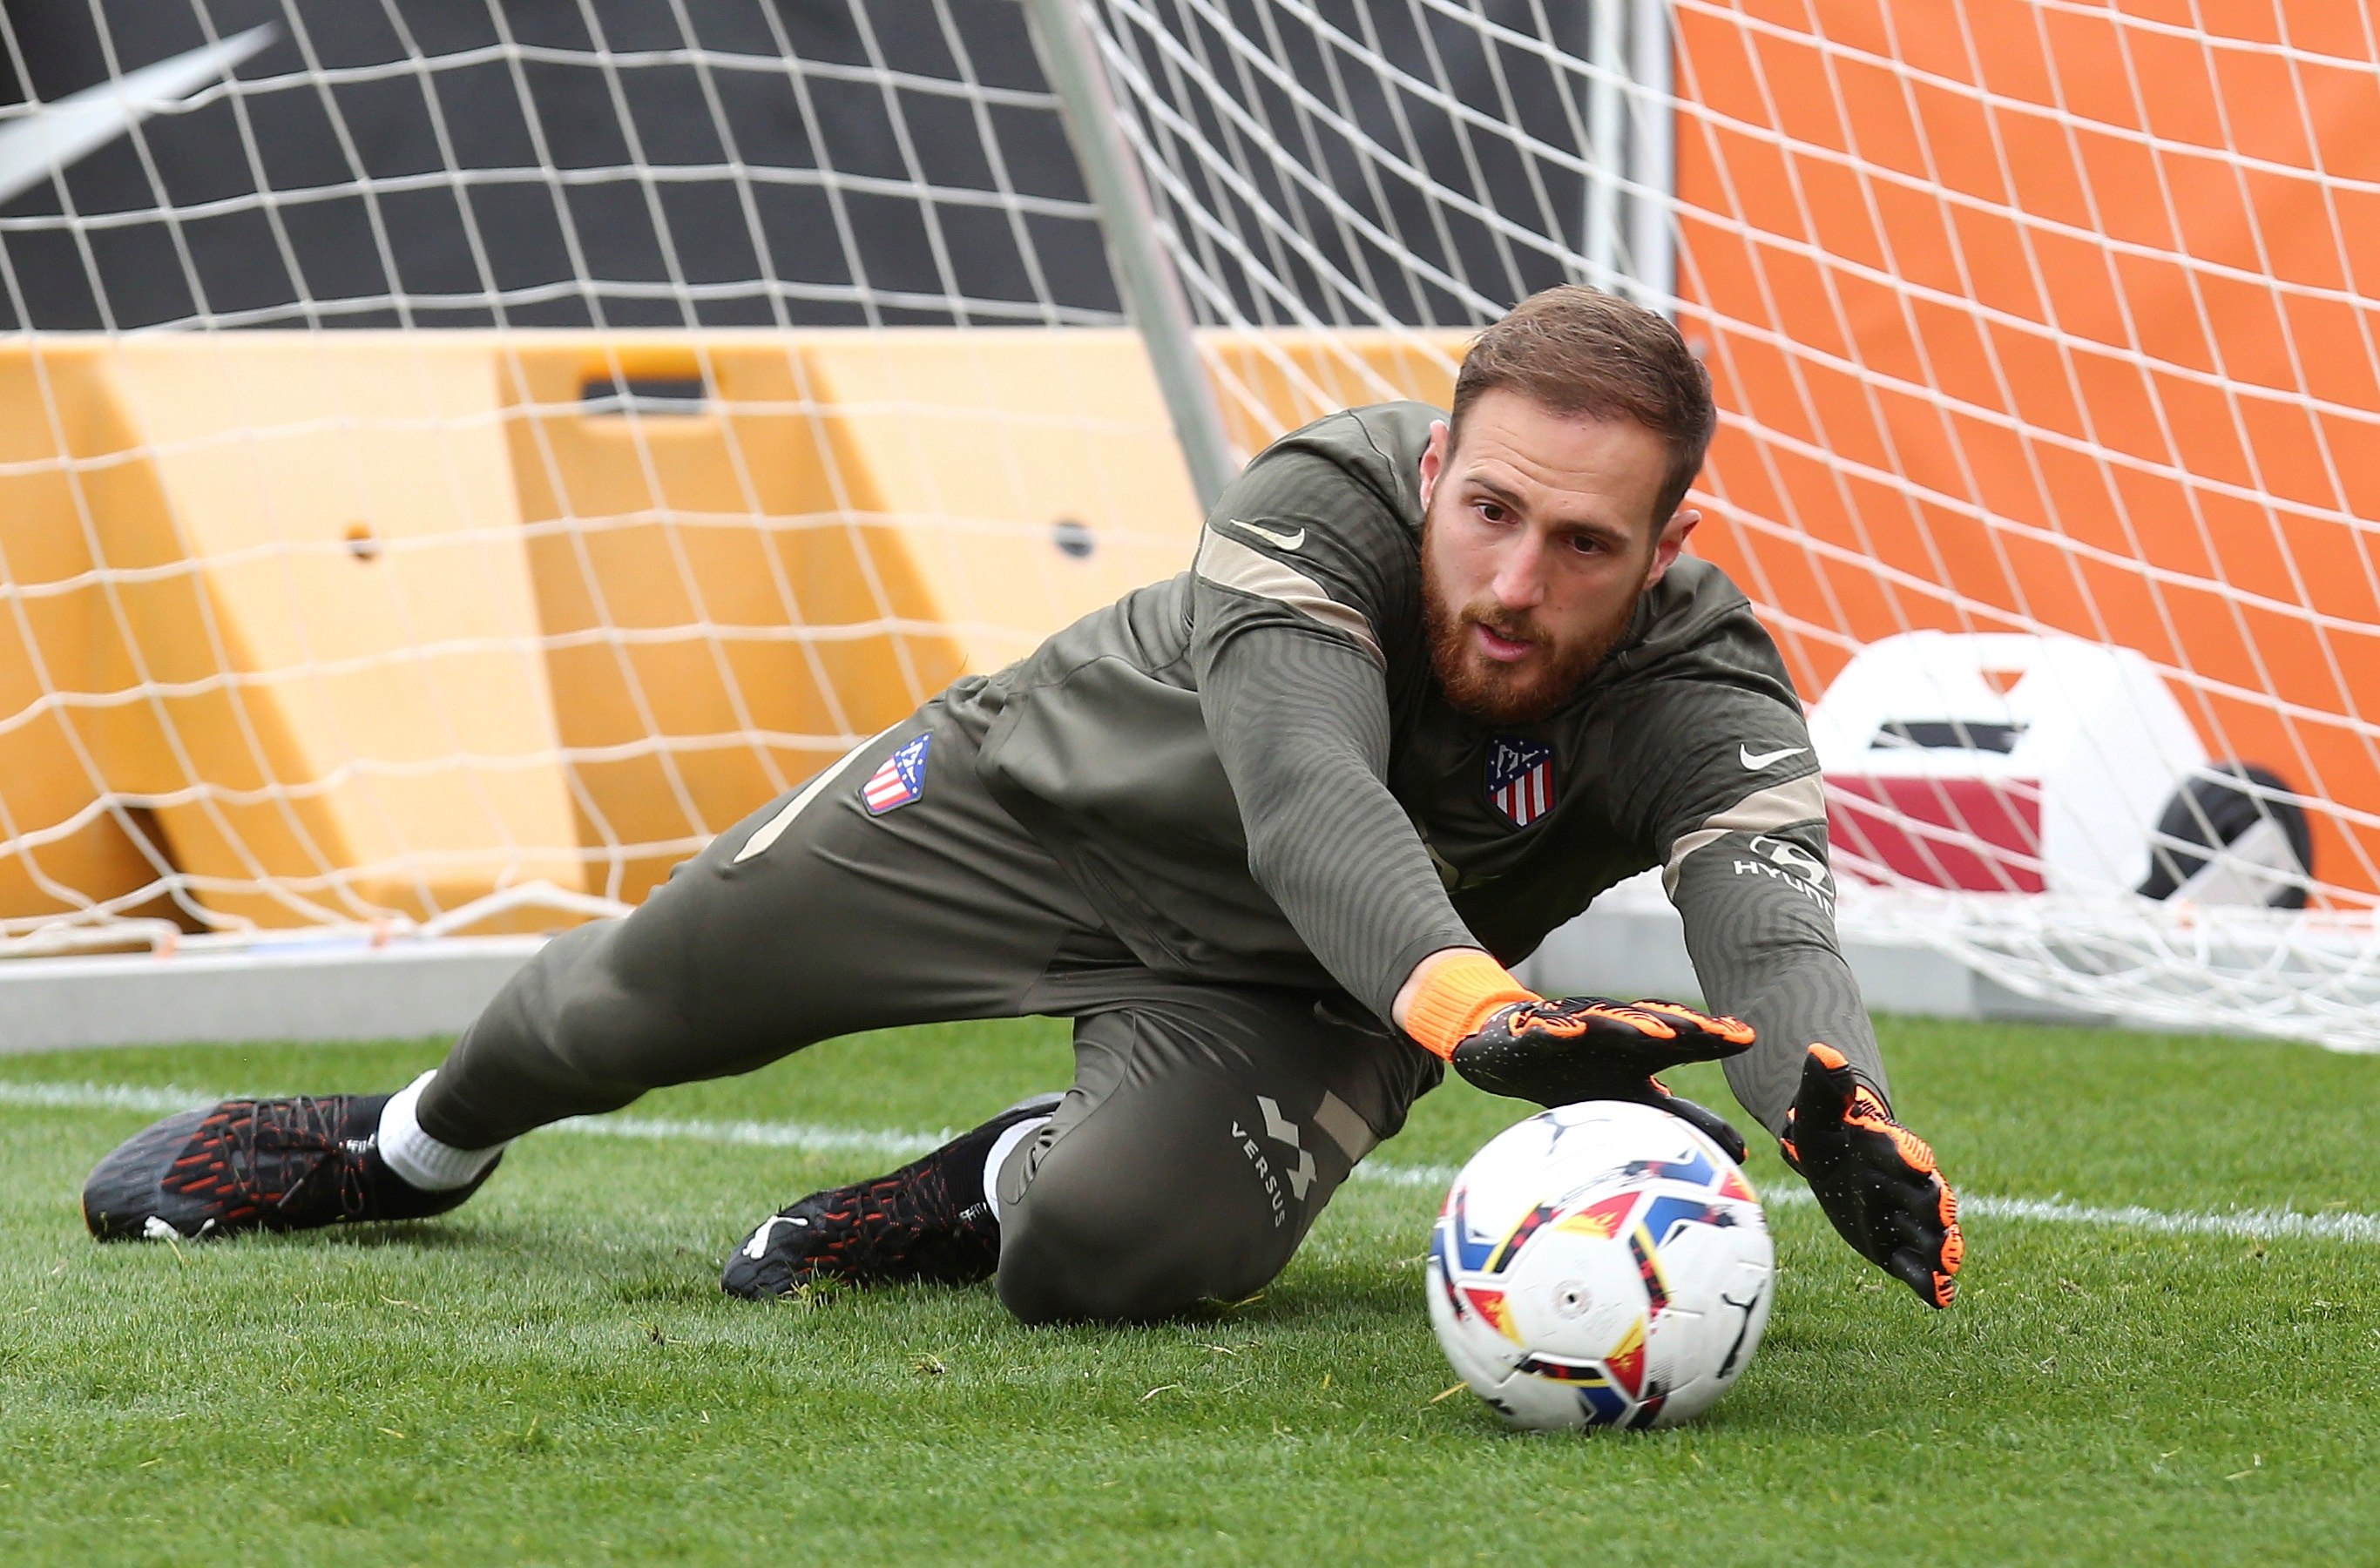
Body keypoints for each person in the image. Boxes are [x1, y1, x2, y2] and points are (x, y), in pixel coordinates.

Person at [82, 287, 1963, 1319]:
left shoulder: (1702, 681)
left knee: (1106, 1260)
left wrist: (1831, 1104)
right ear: (1437, 460)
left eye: (1580, 544)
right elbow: (1308, 797)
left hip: (1308, 990)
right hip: (1031, 808)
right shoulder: (1320, 499)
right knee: (617, 1003)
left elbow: (1769, 926)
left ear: (1667, 548)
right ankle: (405, 1153)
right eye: (1487, 509)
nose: (1508, 581)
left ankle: (999, 1174)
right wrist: (1480, 1014)